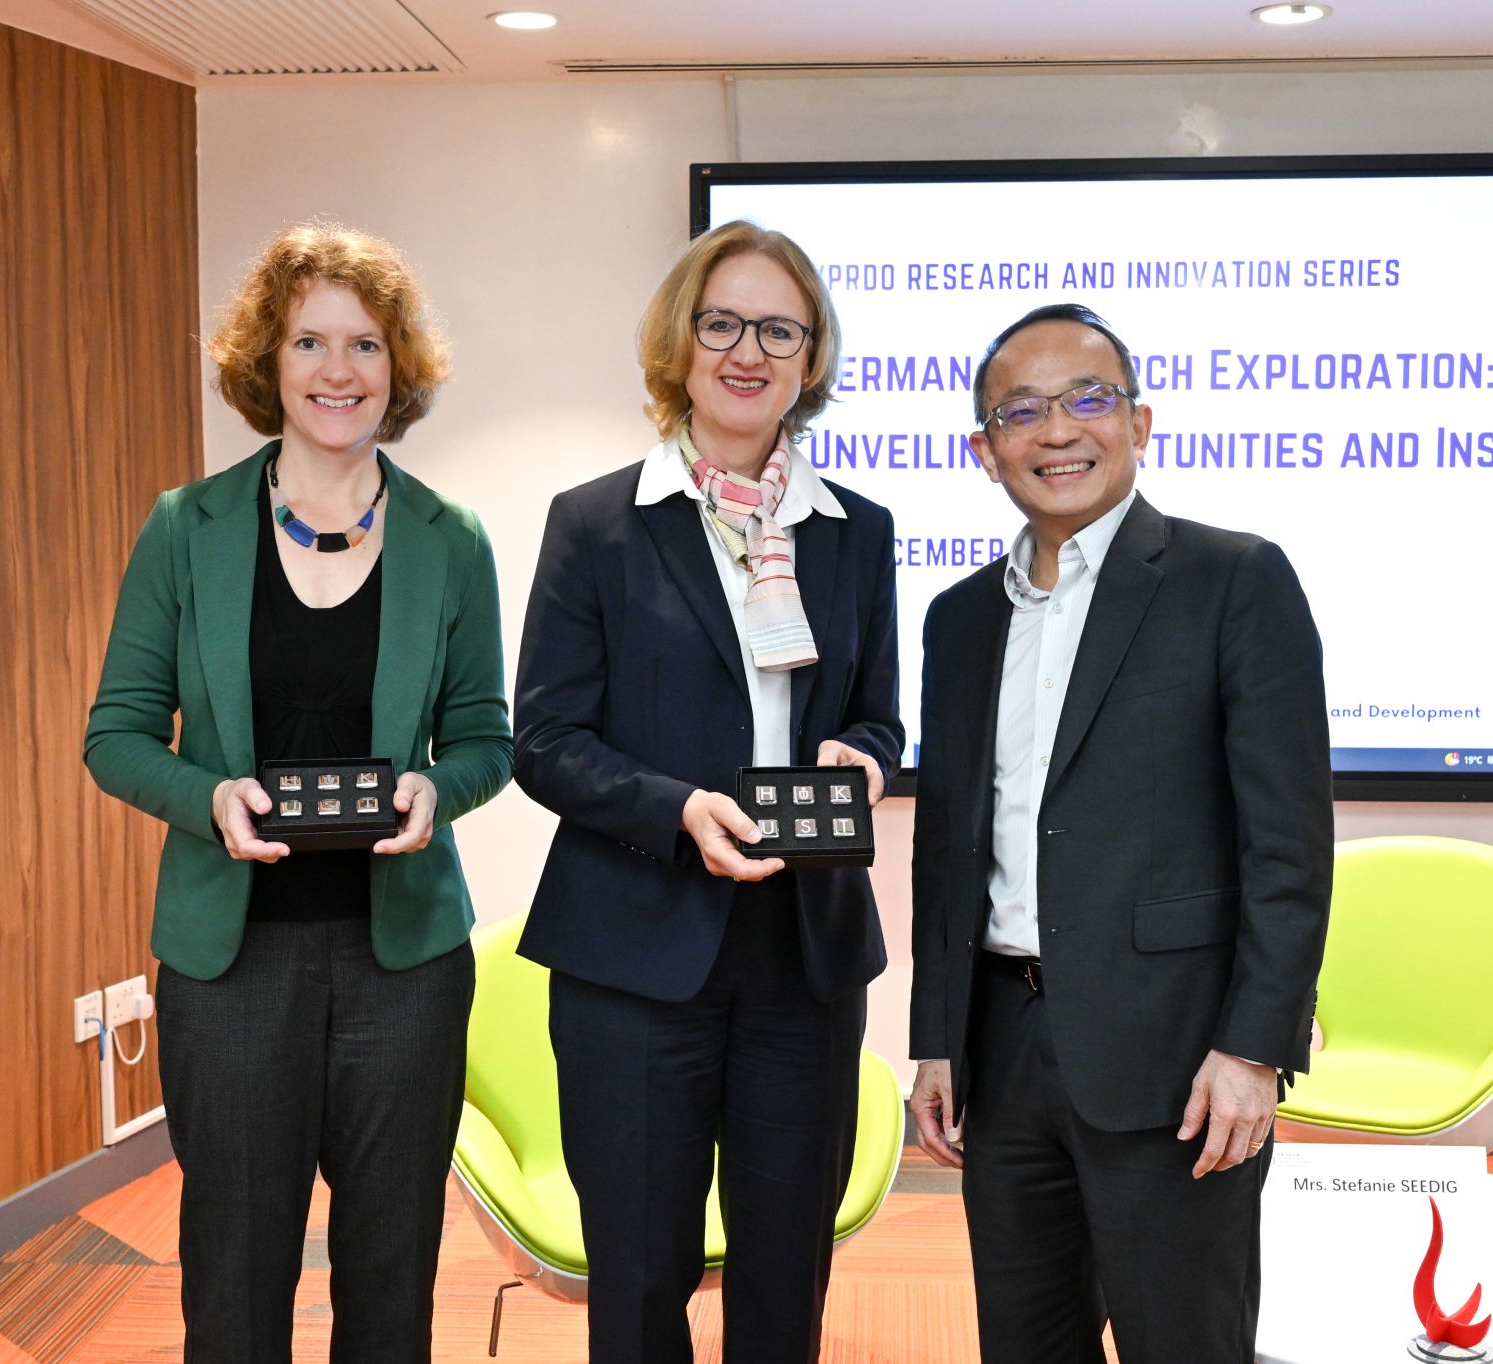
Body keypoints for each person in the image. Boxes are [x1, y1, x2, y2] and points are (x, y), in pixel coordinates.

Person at [83, 222, 511, 1363]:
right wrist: (208, 797)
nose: (337, 370)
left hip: (404, 964)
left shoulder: (448, 539)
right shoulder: (186, 529)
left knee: (389, 1279)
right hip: (230, 966)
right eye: (309, 341)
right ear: (266, 365)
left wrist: (436, 788)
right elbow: (117, 735)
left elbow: (486, 736)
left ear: (397, 367)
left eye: (364, 344)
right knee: (232, 1279)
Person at [906, 303, 1332, 1364]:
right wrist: (933, 1036)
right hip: (1002, 1051)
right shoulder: (956, 619)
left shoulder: (1232, 579)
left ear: (1140, 420)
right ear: (983, 448)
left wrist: (1252, 1049)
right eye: (1020, 410)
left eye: (1086, 398)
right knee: (1024, 1339)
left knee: (1180, 1339)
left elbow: (1287, 848)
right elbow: (948, 850)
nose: (1056, 430)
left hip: (1178, 1056)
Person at [512, 220, 902, 1364]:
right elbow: (544, 739)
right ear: (678, 342)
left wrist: (865, 759)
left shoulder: (853, 532)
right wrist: (676, 808)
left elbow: (877, 711)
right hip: (633, 957)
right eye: (721, 322)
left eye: (777, 328)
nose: (748, 350)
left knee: (786, 1276)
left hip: (803, 954)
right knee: (638, 1280)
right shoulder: (596, 523)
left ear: (809, 356)